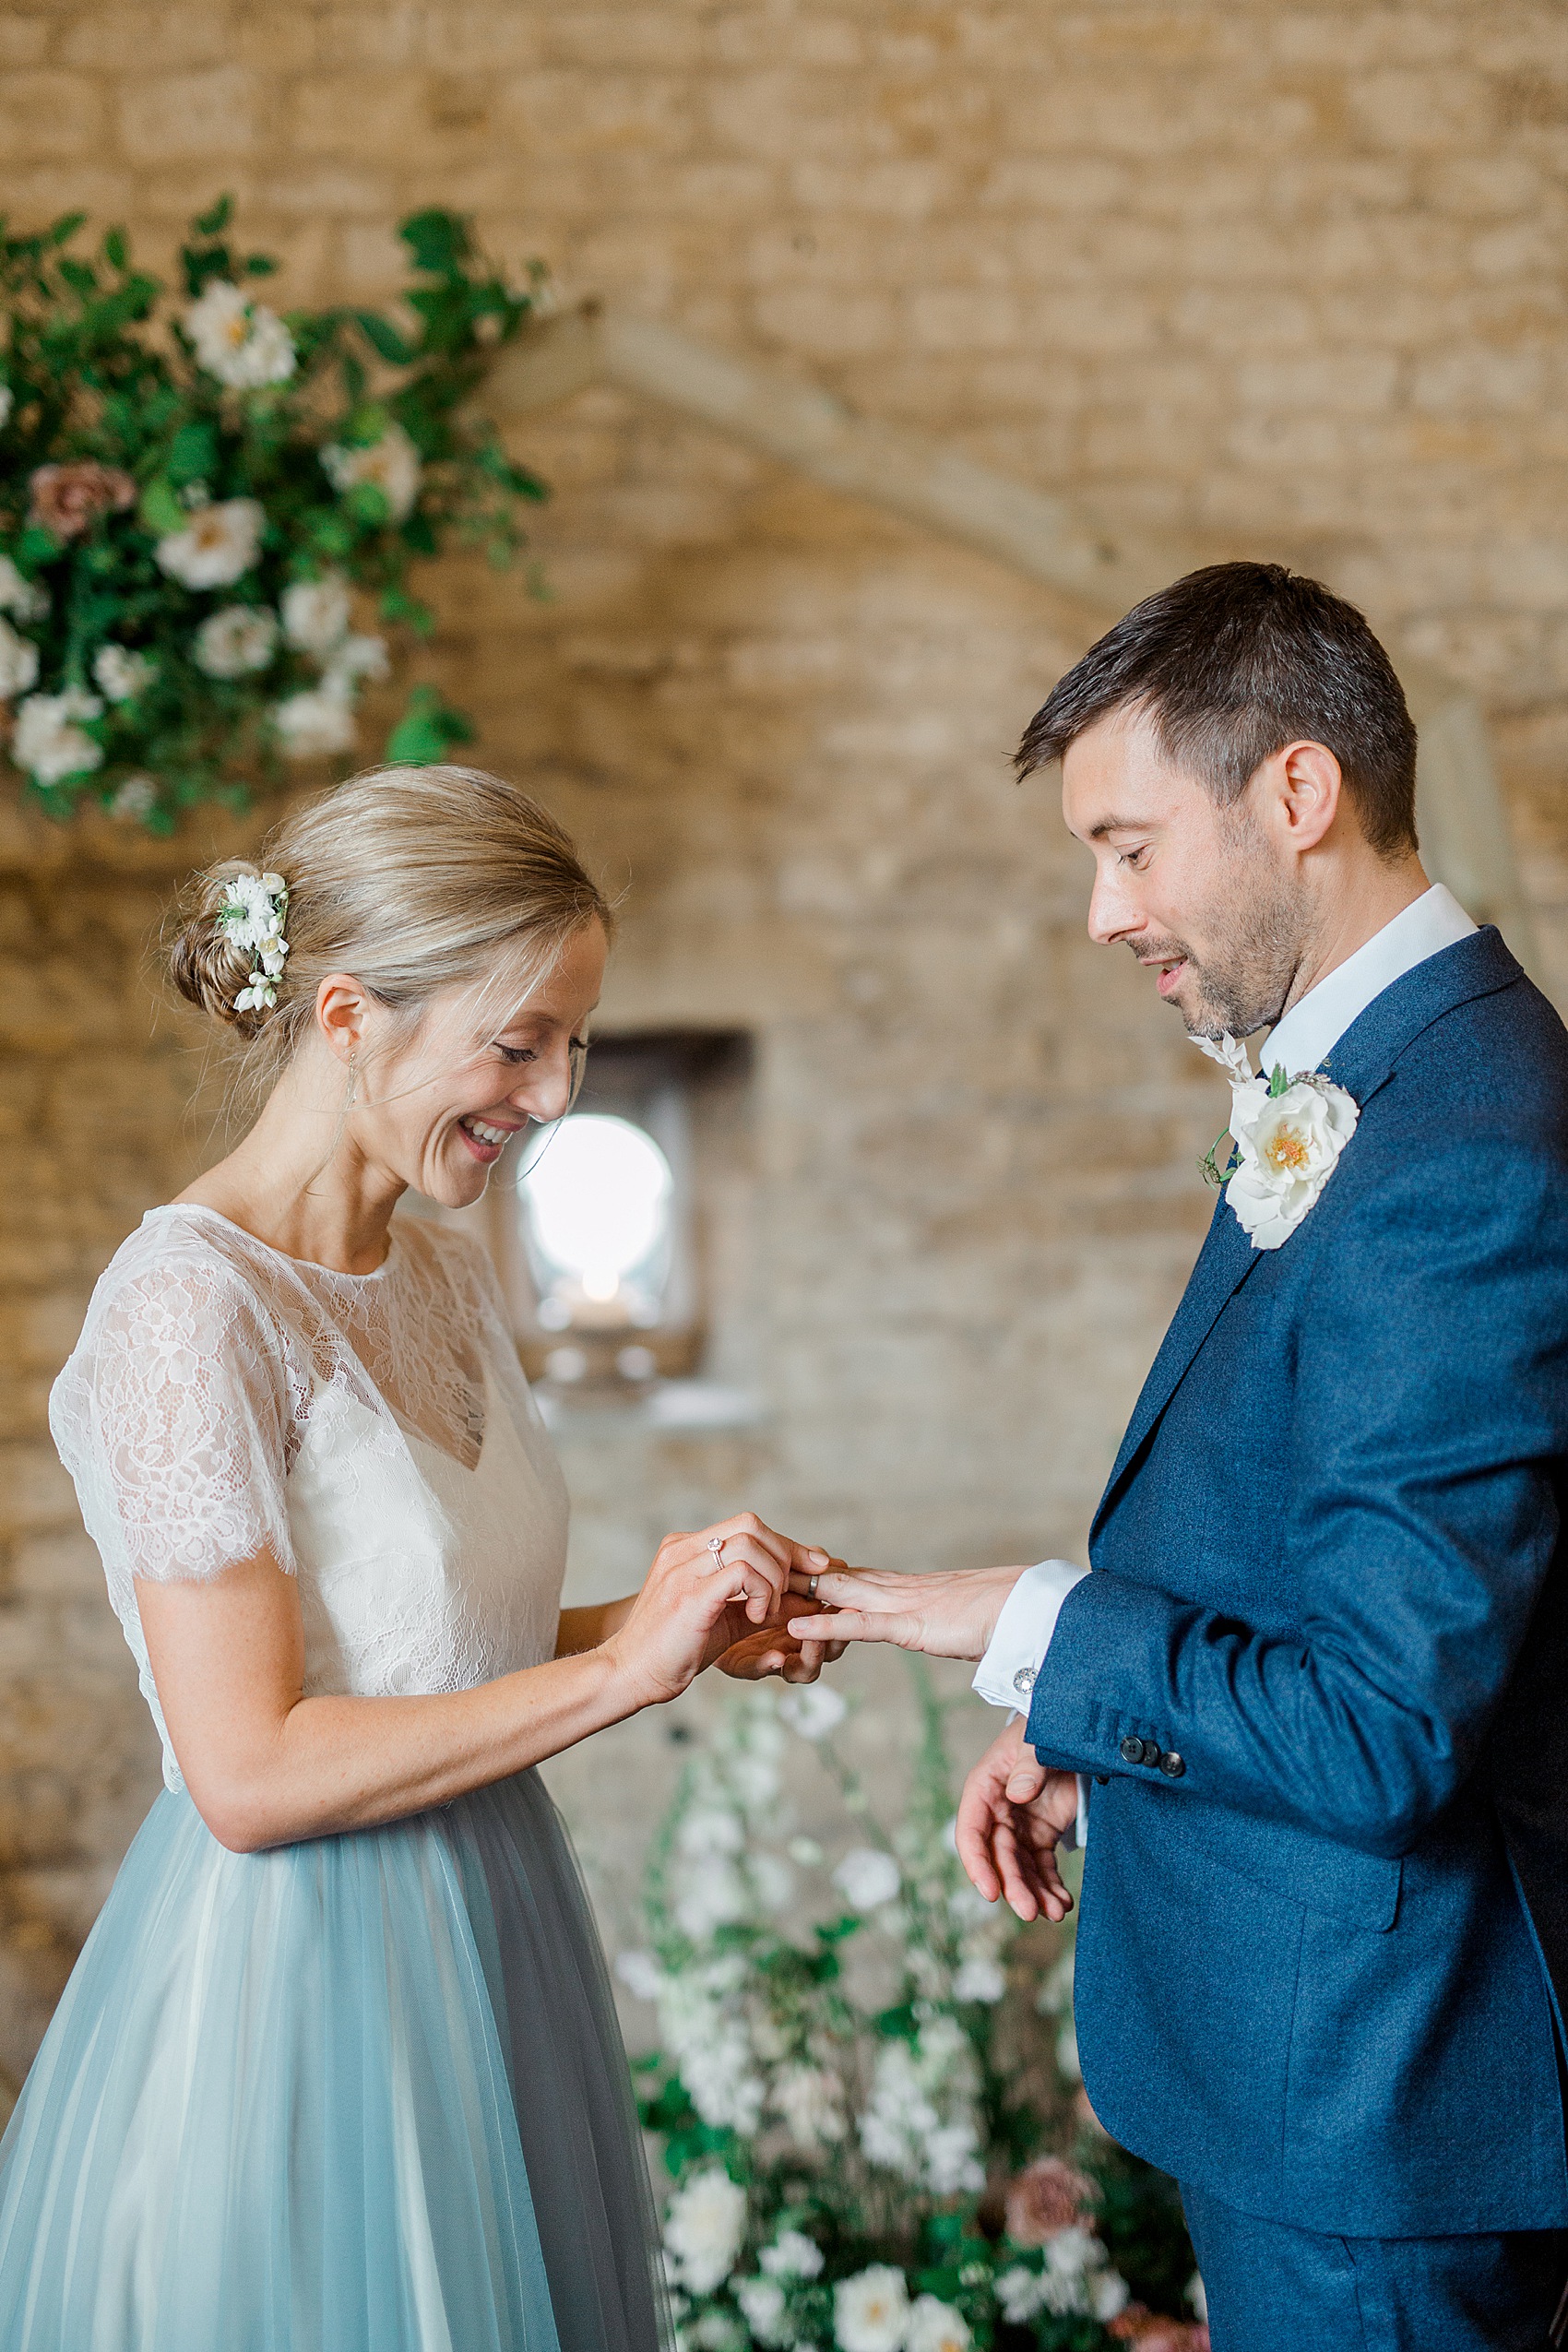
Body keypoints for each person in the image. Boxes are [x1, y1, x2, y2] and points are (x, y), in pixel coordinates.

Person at [789, 564, 1568, 2351]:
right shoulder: (1371, 1079)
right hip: (1306, 2073)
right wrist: (1097, 1744)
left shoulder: (1461, 1146)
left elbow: (1384, 1724)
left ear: (1295, 795)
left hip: (1379, 2111)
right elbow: (1300, 1543)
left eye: (1129, 847)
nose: (1097, 911)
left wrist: (1028, 1625)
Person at [0, 764, 835, 2352]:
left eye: (575, 1042)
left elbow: (435, 1649)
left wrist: (680, 1626)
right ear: (343, 1016)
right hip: (307, 1977)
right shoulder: (190, 1305)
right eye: (518, 1040)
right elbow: (245, 1770)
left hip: (496, 1915)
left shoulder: (444, 1273)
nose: (555, 1090)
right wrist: (616, 1669)